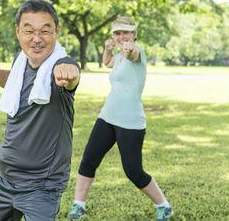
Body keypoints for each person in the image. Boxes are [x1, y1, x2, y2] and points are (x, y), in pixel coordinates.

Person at [0, 0, 80, 221]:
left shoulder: (60, 64)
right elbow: (16, 81)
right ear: (18, 32)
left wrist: (70, 73)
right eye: (29, 31)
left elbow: (70, 76)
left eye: (45, 31)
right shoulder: (20, 61)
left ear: (56, 31)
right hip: (3, 178)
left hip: (41, 185)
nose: (37, 39)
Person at [67, 16, 173, 221]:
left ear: (134, 34)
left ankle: (163, 205)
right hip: (107, 117)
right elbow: (107, 62)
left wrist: (129, 49)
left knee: (133, 171)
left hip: (130, 122)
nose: (121, 36)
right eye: (117, 33)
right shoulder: (119, 55)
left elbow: (132, 53)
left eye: (126, 32)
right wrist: (108, 49)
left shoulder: (136, 52)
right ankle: (78, 206)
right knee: (88, 160)